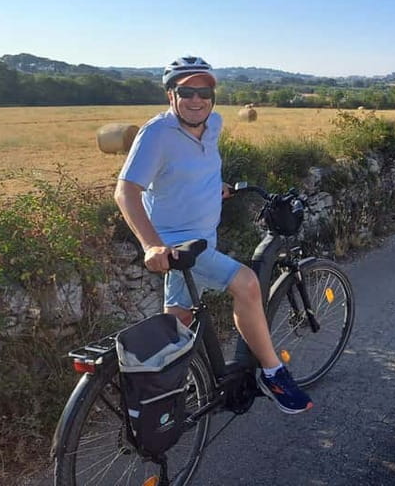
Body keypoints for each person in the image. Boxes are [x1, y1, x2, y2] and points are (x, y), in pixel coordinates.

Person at [114, 55, 312, 414]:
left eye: (203, 91)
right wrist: (151, 245)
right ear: (170, 95)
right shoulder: (157, 134)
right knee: (248, 284)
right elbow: (125, 192)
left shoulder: (214, 124)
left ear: (213, 95)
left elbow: (194, 166)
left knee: (179, 323)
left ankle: (159, 399)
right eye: (186, 91)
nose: (196, 99)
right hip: (178, 245)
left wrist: (213, 186)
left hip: (206, 236)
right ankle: (273, 372)